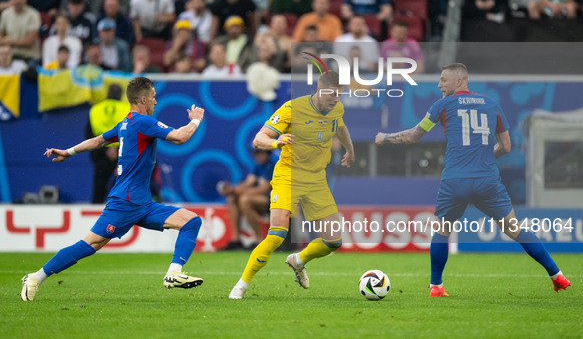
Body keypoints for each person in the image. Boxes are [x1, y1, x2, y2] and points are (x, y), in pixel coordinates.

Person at [374, 63, 571, 296]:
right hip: (487, 179)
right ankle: (557, 275)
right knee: (514, 229)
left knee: (443, 230)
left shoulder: (443, 105)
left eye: (443, 80)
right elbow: (506, 146)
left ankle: (436, 286)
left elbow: (413, 136)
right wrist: (485, 156)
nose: (439, 84)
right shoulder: (491, 104)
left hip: (455, 180)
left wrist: (385, 137)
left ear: (459, 81)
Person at [21, 76, 206, 302]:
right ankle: (34, 278)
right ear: (144, 99)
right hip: (125, 203)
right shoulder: (142, 122)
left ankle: (174, 273)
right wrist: (196, 120)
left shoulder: (126, 123)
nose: (156, 103)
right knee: (90, 245)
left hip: (143, 203)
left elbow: (98, 141)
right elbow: (180, 137)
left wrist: (67, 152)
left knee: (191, 221)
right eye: (154, 98)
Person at [229, 70, 355, 299]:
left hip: (316, 179)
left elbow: (340, 126)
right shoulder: (291, 109)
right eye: (332, 95)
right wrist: (277, 141)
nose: (336, 100)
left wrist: (349, 149)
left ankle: (298, 259)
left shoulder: (336, 108)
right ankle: (241, 285)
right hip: (289, 175)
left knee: (334, 240)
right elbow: (259, 139)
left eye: (339, 95)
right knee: (277, 234)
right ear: (320, 90)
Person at [219, 148, 278, 249]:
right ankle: (236, 239)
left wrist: (239, 191)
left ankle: (259, 239)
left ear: (267, 153)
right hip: (262, 198)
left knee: (244, 200)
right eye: (256, 153)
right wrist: (234, 190)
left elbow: (264, 189)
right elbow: (249, 182)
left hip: (274, 200)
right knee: (232, 198)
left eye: (260, 153)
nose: (257, 156)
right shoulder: (258, 166)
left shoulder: (273, 164)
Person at [85, 84, 130, 203]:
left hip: (101, 156)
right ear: (121, 96)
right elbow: (132, 135)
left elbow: (88, 135)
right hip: (122, 158)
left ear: (107, 94)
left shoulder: (95, 109)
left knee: (98, 194)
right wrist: (117, 149)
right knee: (124, 195)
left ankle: (95, 219)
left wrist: (105, 150)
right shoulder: (128, 109)